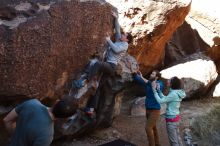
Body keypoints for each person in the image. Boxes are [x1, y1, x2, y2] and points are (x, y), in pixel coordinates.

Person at [72, 11, 133, 115]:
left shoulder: (124, 45)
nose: (122, 34)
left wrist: (108, 40)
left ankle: (85, 81)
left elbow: (115, 50)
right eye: (123, 34)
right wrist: (116, 18)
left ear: (127, 39)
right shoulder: (119, 39)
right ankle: (90, 109)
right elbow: (117, 29)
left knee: (97, 64)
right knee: (98, 87)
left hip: (111, 66)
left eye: (124, 35)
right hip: (108, 66)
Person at [3, 98, 76, 146]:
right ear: (65, 118)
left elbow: (7, 120)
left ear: (56, 101)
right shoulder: (48, 135)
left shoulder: (32, 103)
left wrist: (15, 136)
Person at [132, 70, 164, 146]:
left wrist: (142, 77)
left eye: (153, 74)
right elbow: (139, 79)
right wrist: (134, 73)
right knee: (153, 127)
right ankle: (157, 144)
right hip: (148, 110)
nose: (150, 74)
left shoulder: (160, 84)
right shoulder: (148, 83)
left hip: (155, 111)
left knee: (148, 128)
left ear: (156, 77)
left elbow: (154, 85)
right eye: (151, 73)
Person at [152, 76, 186, 146]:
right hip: (175, 119)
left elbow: (161, 101)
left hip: (171, 121)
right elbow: (166, 99)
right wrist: (159, 91)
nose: (168, 80)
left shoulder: (173, 94)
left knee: (174, 142)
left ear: (172, 84)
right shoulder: (176, 92)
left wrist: (154, 91)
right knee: (177, 138)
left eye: (169, 80)